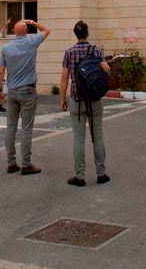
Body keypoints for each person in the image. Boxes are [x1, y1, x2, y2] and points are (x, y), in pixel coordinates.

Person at [60, 20, 111, 187]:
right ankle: (101, 173)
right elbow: (106, 69)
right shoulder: (96, 50)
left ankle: (79, 176)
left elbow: (64, 77)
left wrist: (62, 98)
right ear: (87, 33)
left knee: (78, 138)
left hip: (77, 99)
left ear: (75, 34)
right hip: (95, 99)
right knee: (98, 136)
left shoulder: (69, 52)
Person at [0, 18, 50, 175]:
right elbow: (47, 30)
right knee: (26, 128)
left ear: (13, 32)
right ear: (26, 32)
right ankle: (26, 164)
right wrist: (32, 22)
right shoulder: (32, 42)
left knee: (11, 127)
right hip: (27, 90)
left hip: (12, 91)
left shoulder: (6, 48)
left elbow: (1, 71)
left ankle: (11, 163)